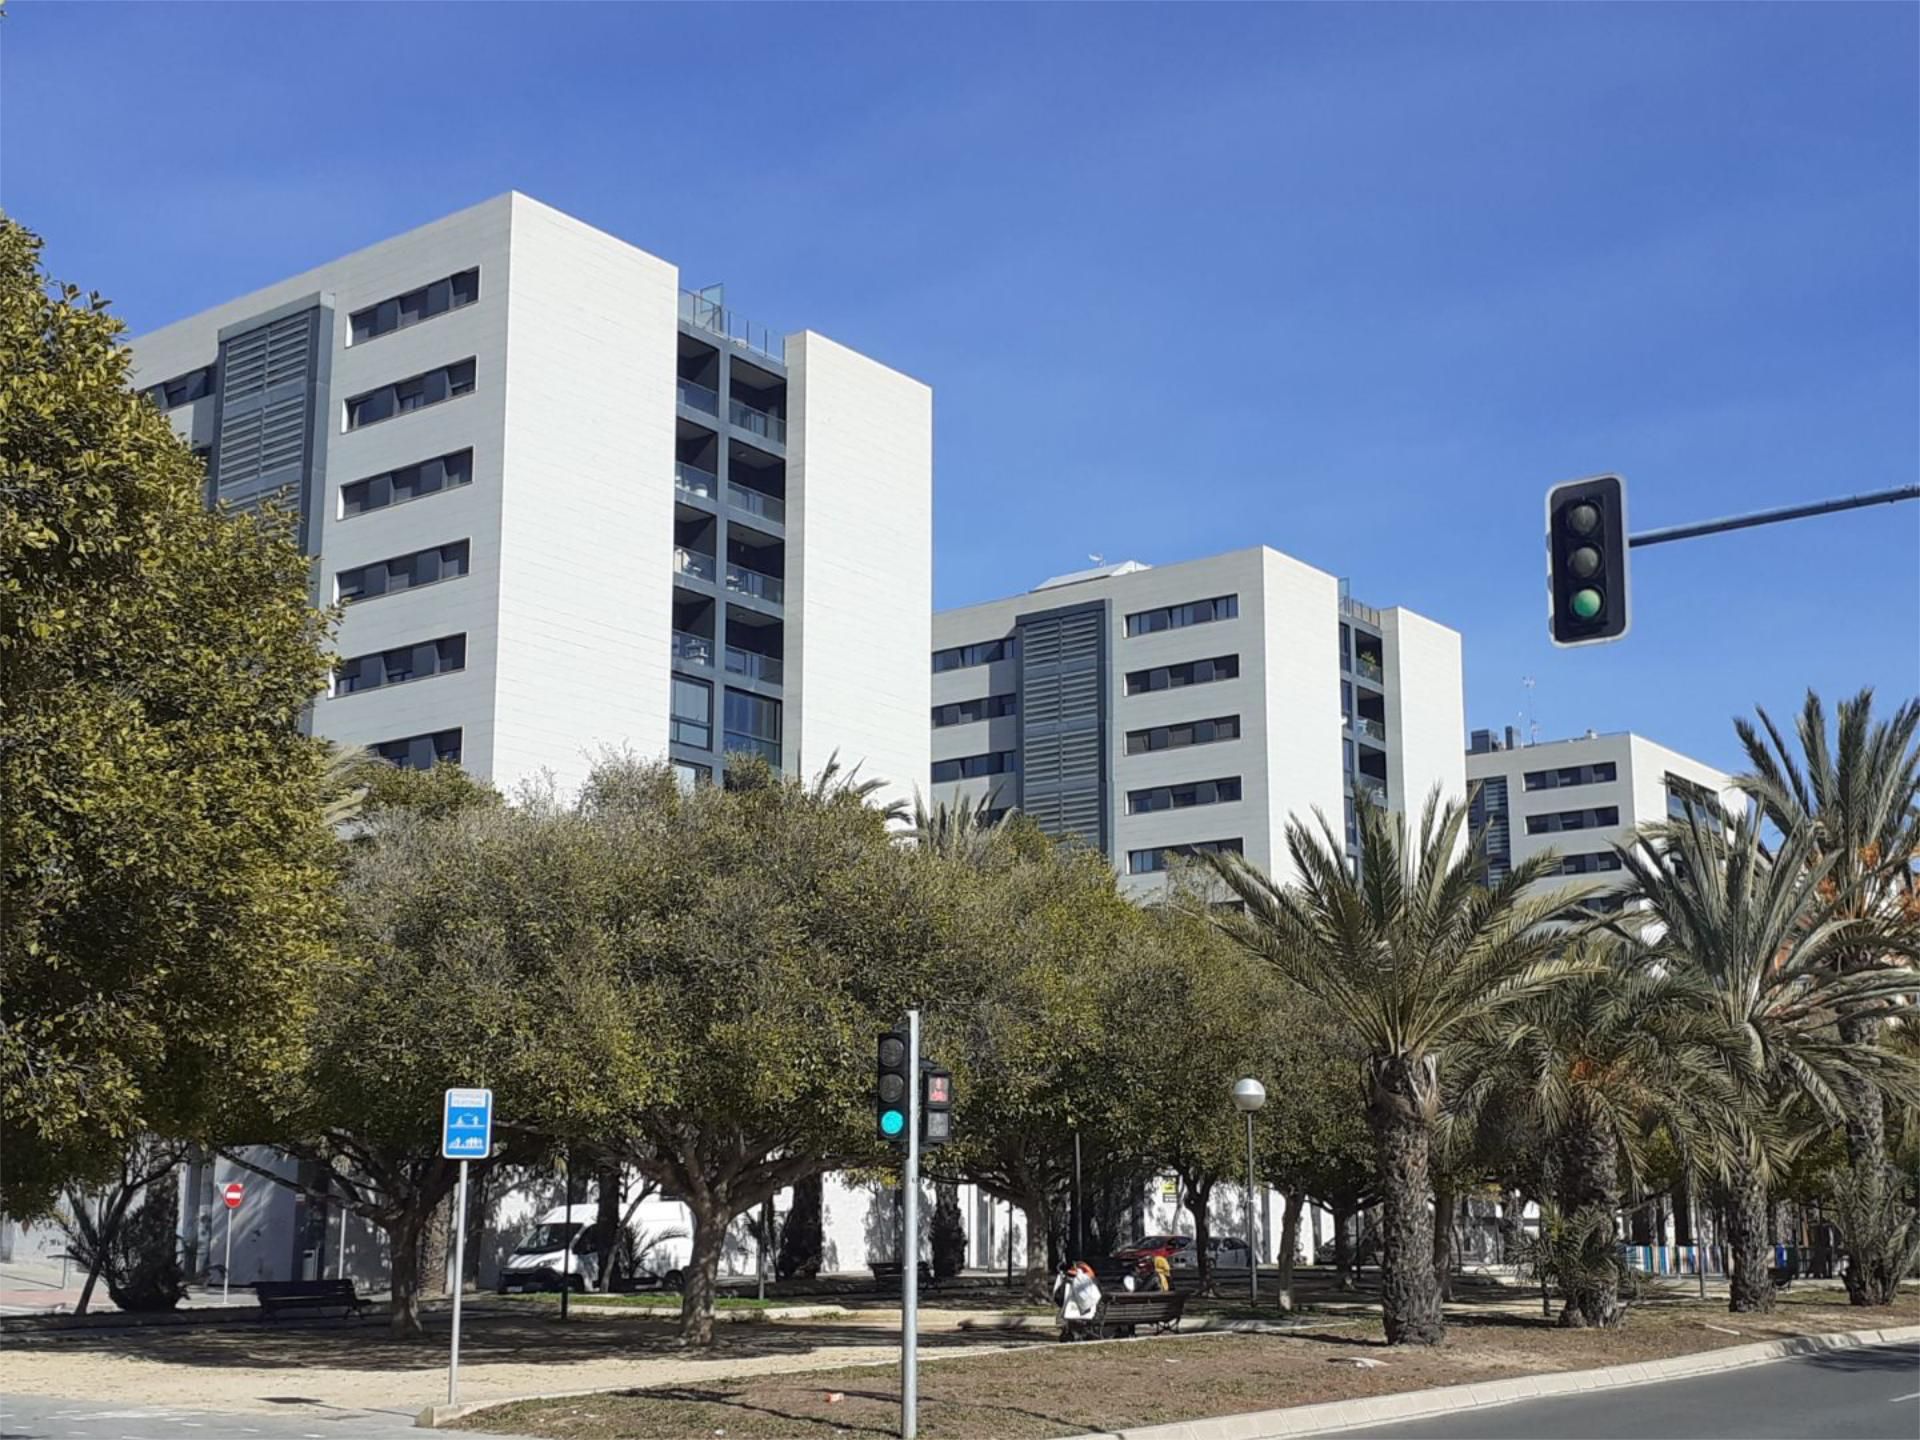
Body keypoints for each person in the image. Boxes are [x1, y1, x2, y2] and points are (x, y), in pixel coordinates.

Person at [1054, 1260, 1102, 1339]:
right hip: (1089, 1313)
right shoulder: (1090, 1284)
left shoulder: (1069, 1280)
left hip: (1073, 1313)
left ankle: (1074, 1333)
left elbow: (1058, 1297)